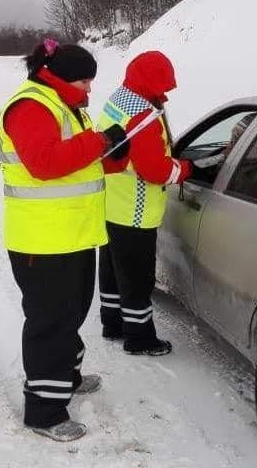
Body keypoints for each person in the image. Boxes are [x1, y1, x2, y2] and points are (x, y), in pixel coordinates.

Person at [0, 39, 128, 442]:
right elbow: (45, 163)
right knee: (49, 322)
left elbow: (82, 158)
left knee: (71, 313)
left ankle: (65, 377)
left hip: (72, 234)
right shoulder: (30, 106)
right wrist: (100, 141)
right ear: (59, 76)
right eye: (85, 80)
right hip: (42, 240)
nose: (90, 88)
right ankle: (44, 410)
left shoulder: (66, 104)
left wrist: (116, 150)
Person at [96, 51, 193, 356]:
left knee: (112, 270)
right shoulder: (143, 116)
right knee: (137, 278)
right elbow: (154, 170)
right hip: (136, 211)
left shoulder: (119, 100)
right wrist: (186, 169)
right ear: (152, 81)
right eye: (162, 86)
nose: (164, 93)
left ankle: (112, 324)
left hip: (111, 202)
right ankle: (139, 339)